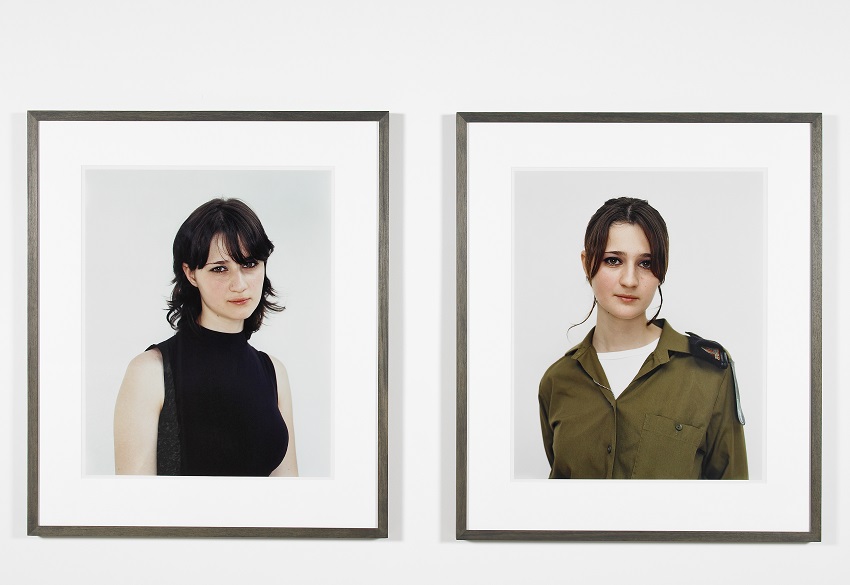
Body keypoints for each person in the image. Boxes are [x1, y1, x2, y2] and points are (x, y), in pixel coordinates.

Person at [538, 197, 747, 479]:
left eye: (646, 263)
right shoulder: (557, 381)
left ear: (662, 269)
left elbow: (734, 503)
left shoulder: (708, 374)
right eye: (613, 260)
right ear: (587, 264)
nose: (630, 280)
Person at [114, 198, 298, 477]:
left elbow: (290, 500)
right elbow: (134, 509)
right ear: (190, 273)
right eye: (220, 268)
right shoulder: (149, 372)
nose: (239, 284)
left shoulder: (274, 372)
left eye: (249, 264)